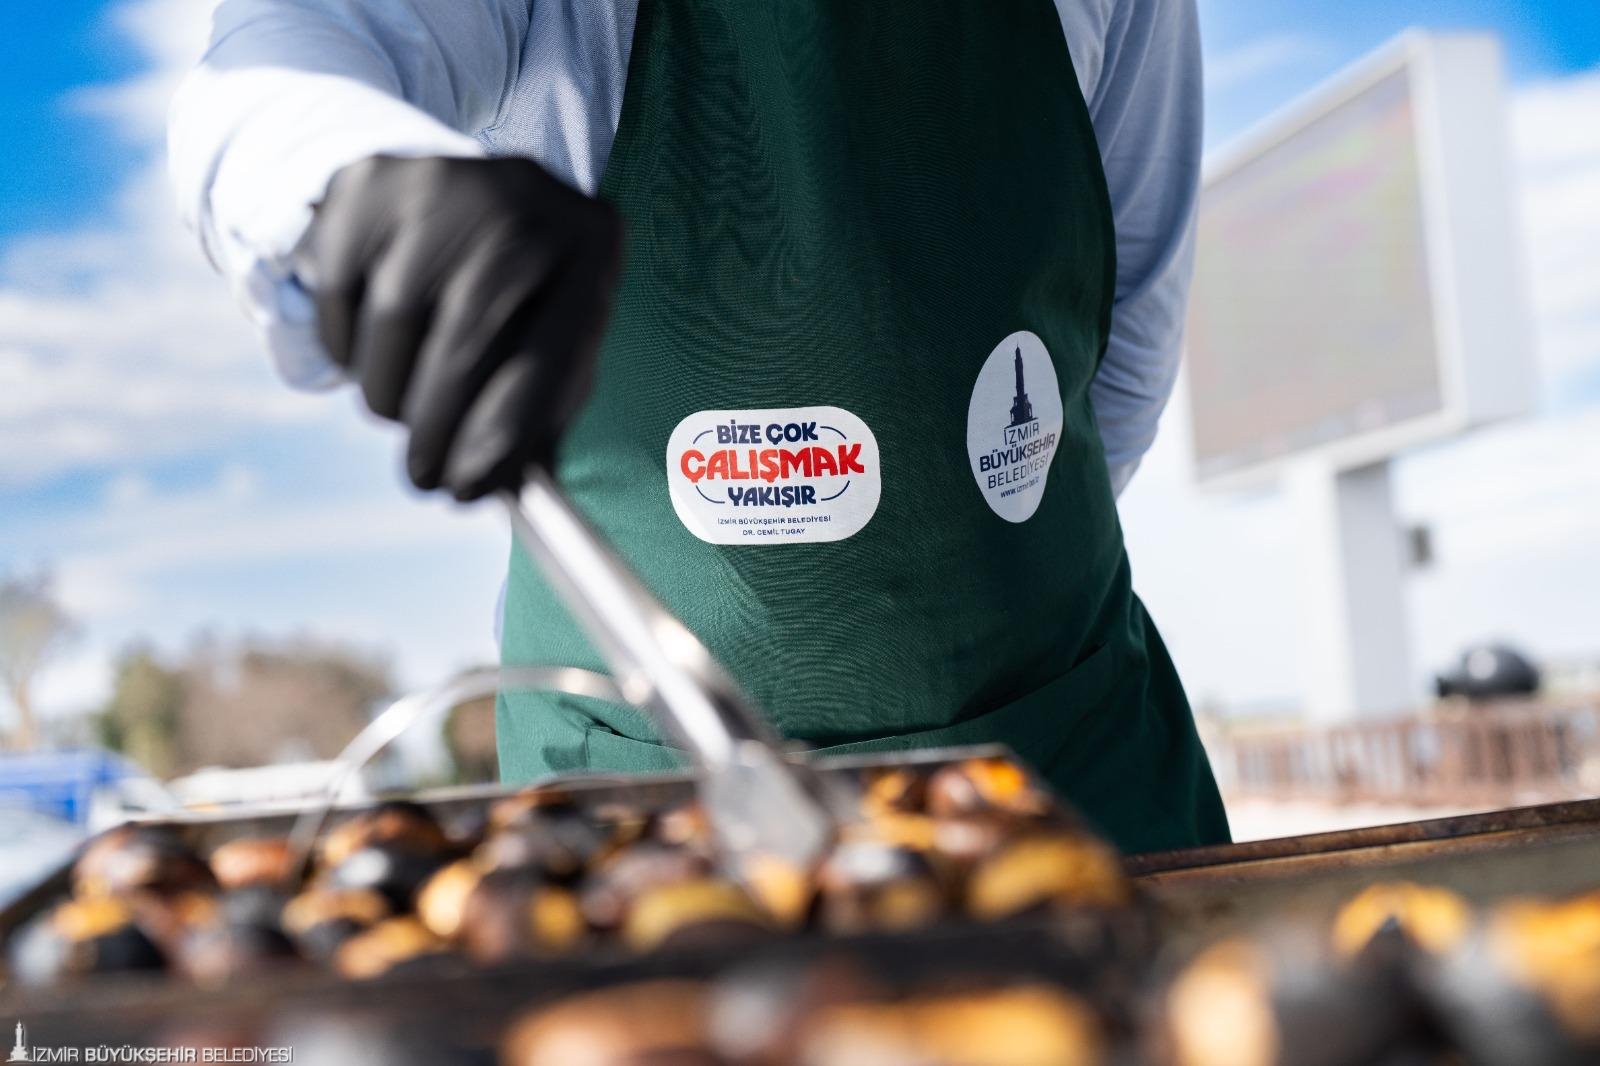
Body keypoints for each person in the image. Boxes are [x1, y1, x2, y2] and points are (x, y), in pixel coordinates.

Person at [170, 0, 1229, 853]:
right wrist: (349, 170)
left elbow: (1126, 333)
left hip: (1075, 783)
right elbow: (279, 60)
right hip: (636, 818)